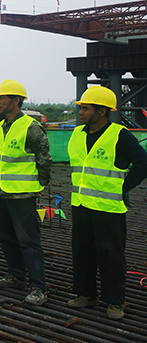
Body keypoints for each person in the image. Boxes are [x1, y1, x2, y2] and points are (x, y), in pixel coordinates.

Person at [67, 86, 147, 320]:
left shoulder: (119, 135)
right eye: (81, 108)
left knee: (111, 255)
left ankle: (114, 302)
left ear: (101, 111)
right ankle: (86, 294)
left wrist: (124, 187)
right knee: (82, 252)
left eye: (85, 108)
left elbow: (143, 162)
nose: (81, 112)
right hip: (81, 205)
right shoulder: (77, 134)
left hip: (108, 209)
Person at [0, 79, 50, 306]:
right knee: (7, 238)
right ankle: (16, 276)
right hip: (2, 192)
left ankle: (38, 288)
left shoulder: (30, 127)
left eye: (2, 98)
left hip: (23, 195)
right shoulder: (0, 128)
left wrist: (39, 185)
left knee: (29, 242)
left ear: (16, 100)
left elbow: (44, 160)